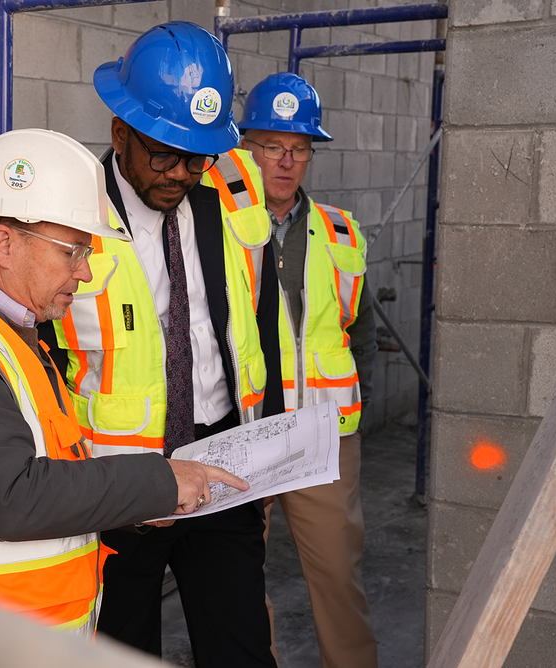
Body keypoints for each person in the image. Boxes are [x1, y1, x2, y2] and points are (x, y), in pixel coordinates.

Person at [0, 127, 250, 639]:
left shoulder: (13, 338)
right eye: (74, 252)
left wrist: (145, 502)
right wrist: (160, 481)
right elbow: (15, 496)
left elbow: (58, 471)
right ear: (4, 243)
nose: (86, 274)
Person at [39, 22, 283, 667]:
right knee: (122, 645)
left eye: (197, 157)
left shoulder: (227, 192)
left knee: (240, 645)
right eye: (165, 155)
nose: (183, 173)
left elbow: (259, 318)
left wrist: (276, 436)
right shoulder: (68, 217)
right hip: (117, 477)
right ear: (120, 132)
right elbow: (39, 359)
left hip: (224, 456)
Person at [239, 72, 379, 668]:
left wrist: (352, 409)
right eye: (272, 146)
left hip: (324, 436)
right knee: (238, 580)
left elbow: (363, 331)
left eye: (298, 149)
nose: (286, 161)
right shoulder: (215, 225)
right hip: (244, 433)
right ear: (245, 149)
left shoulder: (341, 231)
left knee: (338, 578)